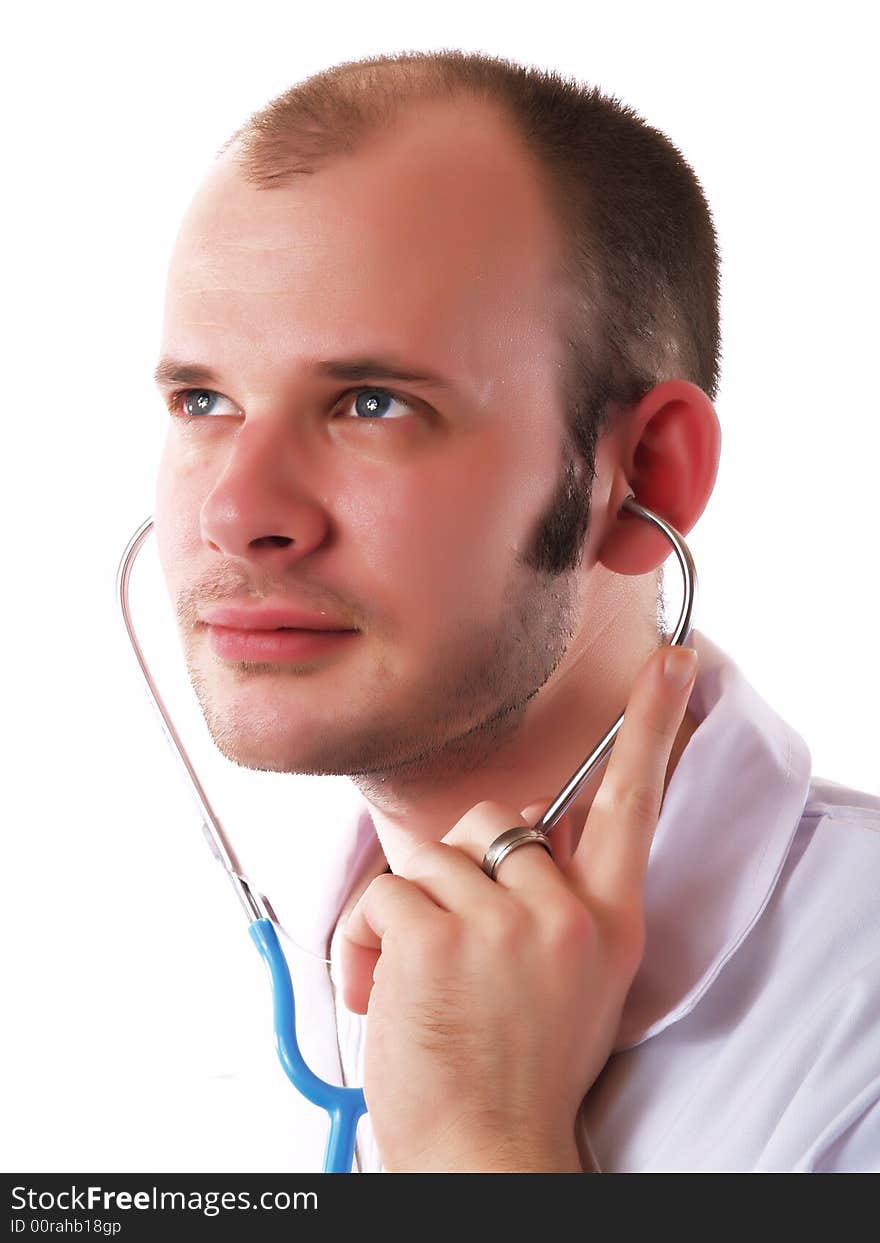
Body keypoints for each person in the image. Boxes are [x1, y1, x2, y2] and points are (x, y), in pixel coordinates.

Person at [150, 49, 880, 1172]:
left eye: (371, 402)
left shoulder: (855, 1015)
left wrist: (482, 1152)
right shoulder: (183, 1021)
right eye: (203, 400)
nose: (238, 511)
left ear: (642, 476)